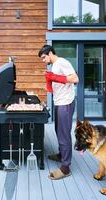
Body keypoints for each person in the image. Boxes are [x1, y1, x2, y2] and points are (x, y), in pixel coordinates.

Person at [38, 45, 79, 180]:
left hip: (65, 104)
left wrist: (54, 78)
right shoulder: (54, 66)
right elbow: (58, 83)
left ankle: (65, 167)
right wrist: (49, 84)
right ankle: (62, 155)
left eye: (44, 57)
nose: (43, 60)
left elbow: (75, 79)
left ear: (50, 53)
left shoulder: (62, 62)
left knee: (64, 134)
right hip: (59, 102)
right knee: (58, 131)